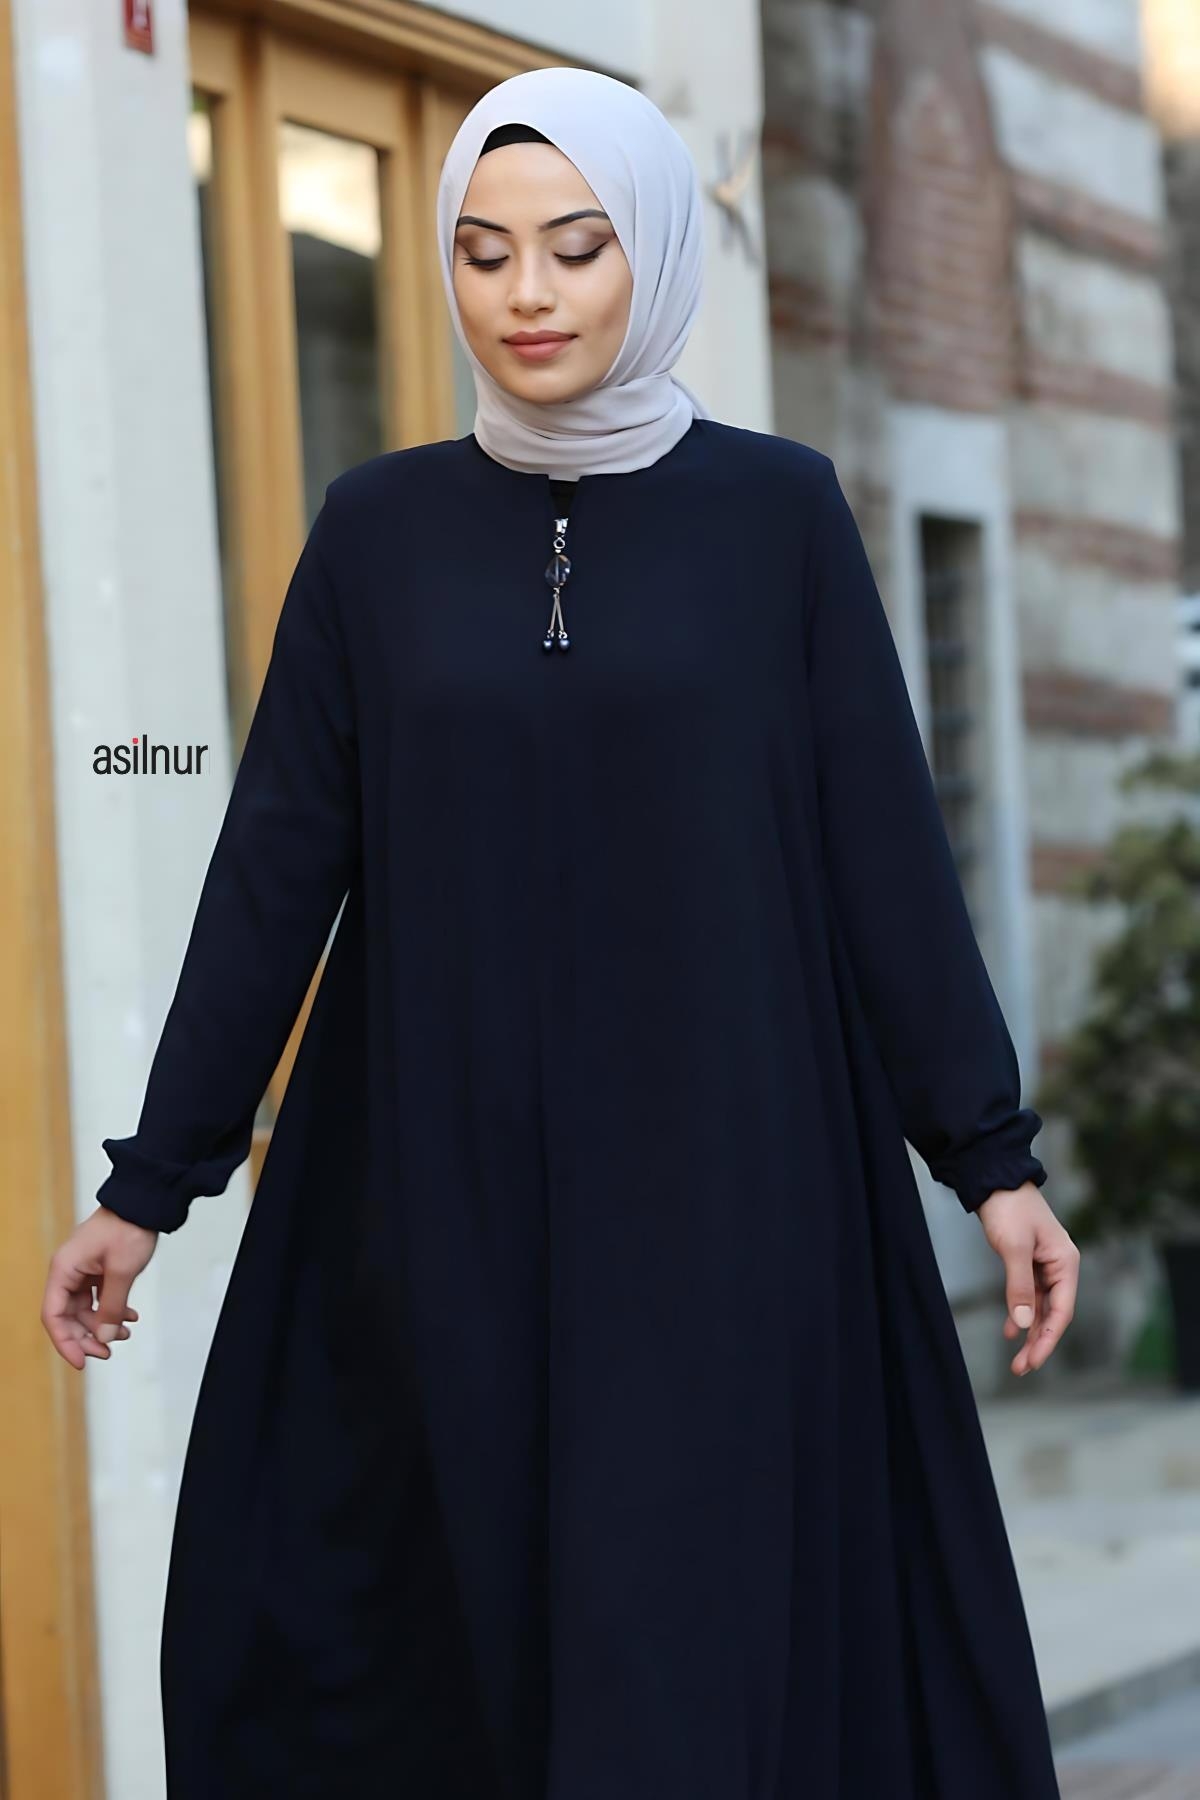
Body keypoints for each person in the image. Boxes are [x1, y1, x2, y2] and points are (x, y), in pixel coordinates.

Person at [42, 63, 1078, 1800]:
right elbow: (275, 872)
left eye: (576, 249)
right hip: (434, 1216)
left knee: (683, 1662)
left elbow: (886, 859)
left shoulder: (780, 518)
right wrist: (150, 1185)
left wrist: (992, 1158)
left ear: (651, 254)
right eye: (485, 252)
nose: (526, 294)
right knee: (444, 1670)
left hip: (730, 1217)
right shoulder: (376, 534)